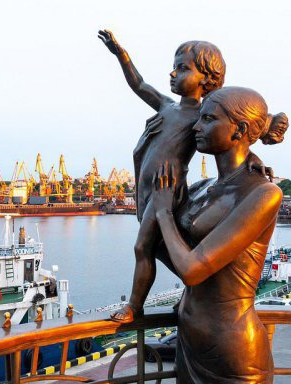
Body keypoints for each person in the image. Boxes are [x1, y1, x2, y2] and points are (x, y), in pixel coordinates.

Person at [152, 86, 288, 383]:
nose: (196, 127)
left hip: (233, 354)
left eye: (208, 119)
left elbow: (192, 270)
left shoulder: (264, 194)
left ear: (240, 130)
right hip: (189, 340)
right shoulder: (202, 188)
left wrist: (163, 213)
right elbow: (157, 245)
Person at [98, 30, 229, 322]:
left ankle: (134, 307)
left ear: (206, 79)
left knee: (142, 246)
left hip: (165, 192)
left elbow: (231, 136)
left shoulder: (201, 116)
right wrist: (122, 55)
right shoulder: (168, 106)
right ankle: (200, 288)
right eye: (174, 66)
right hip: (148, 191)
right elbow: (139, 84)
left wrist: (253, 162)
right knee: (160, 250)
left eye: (183, 68)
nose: (173, 73)